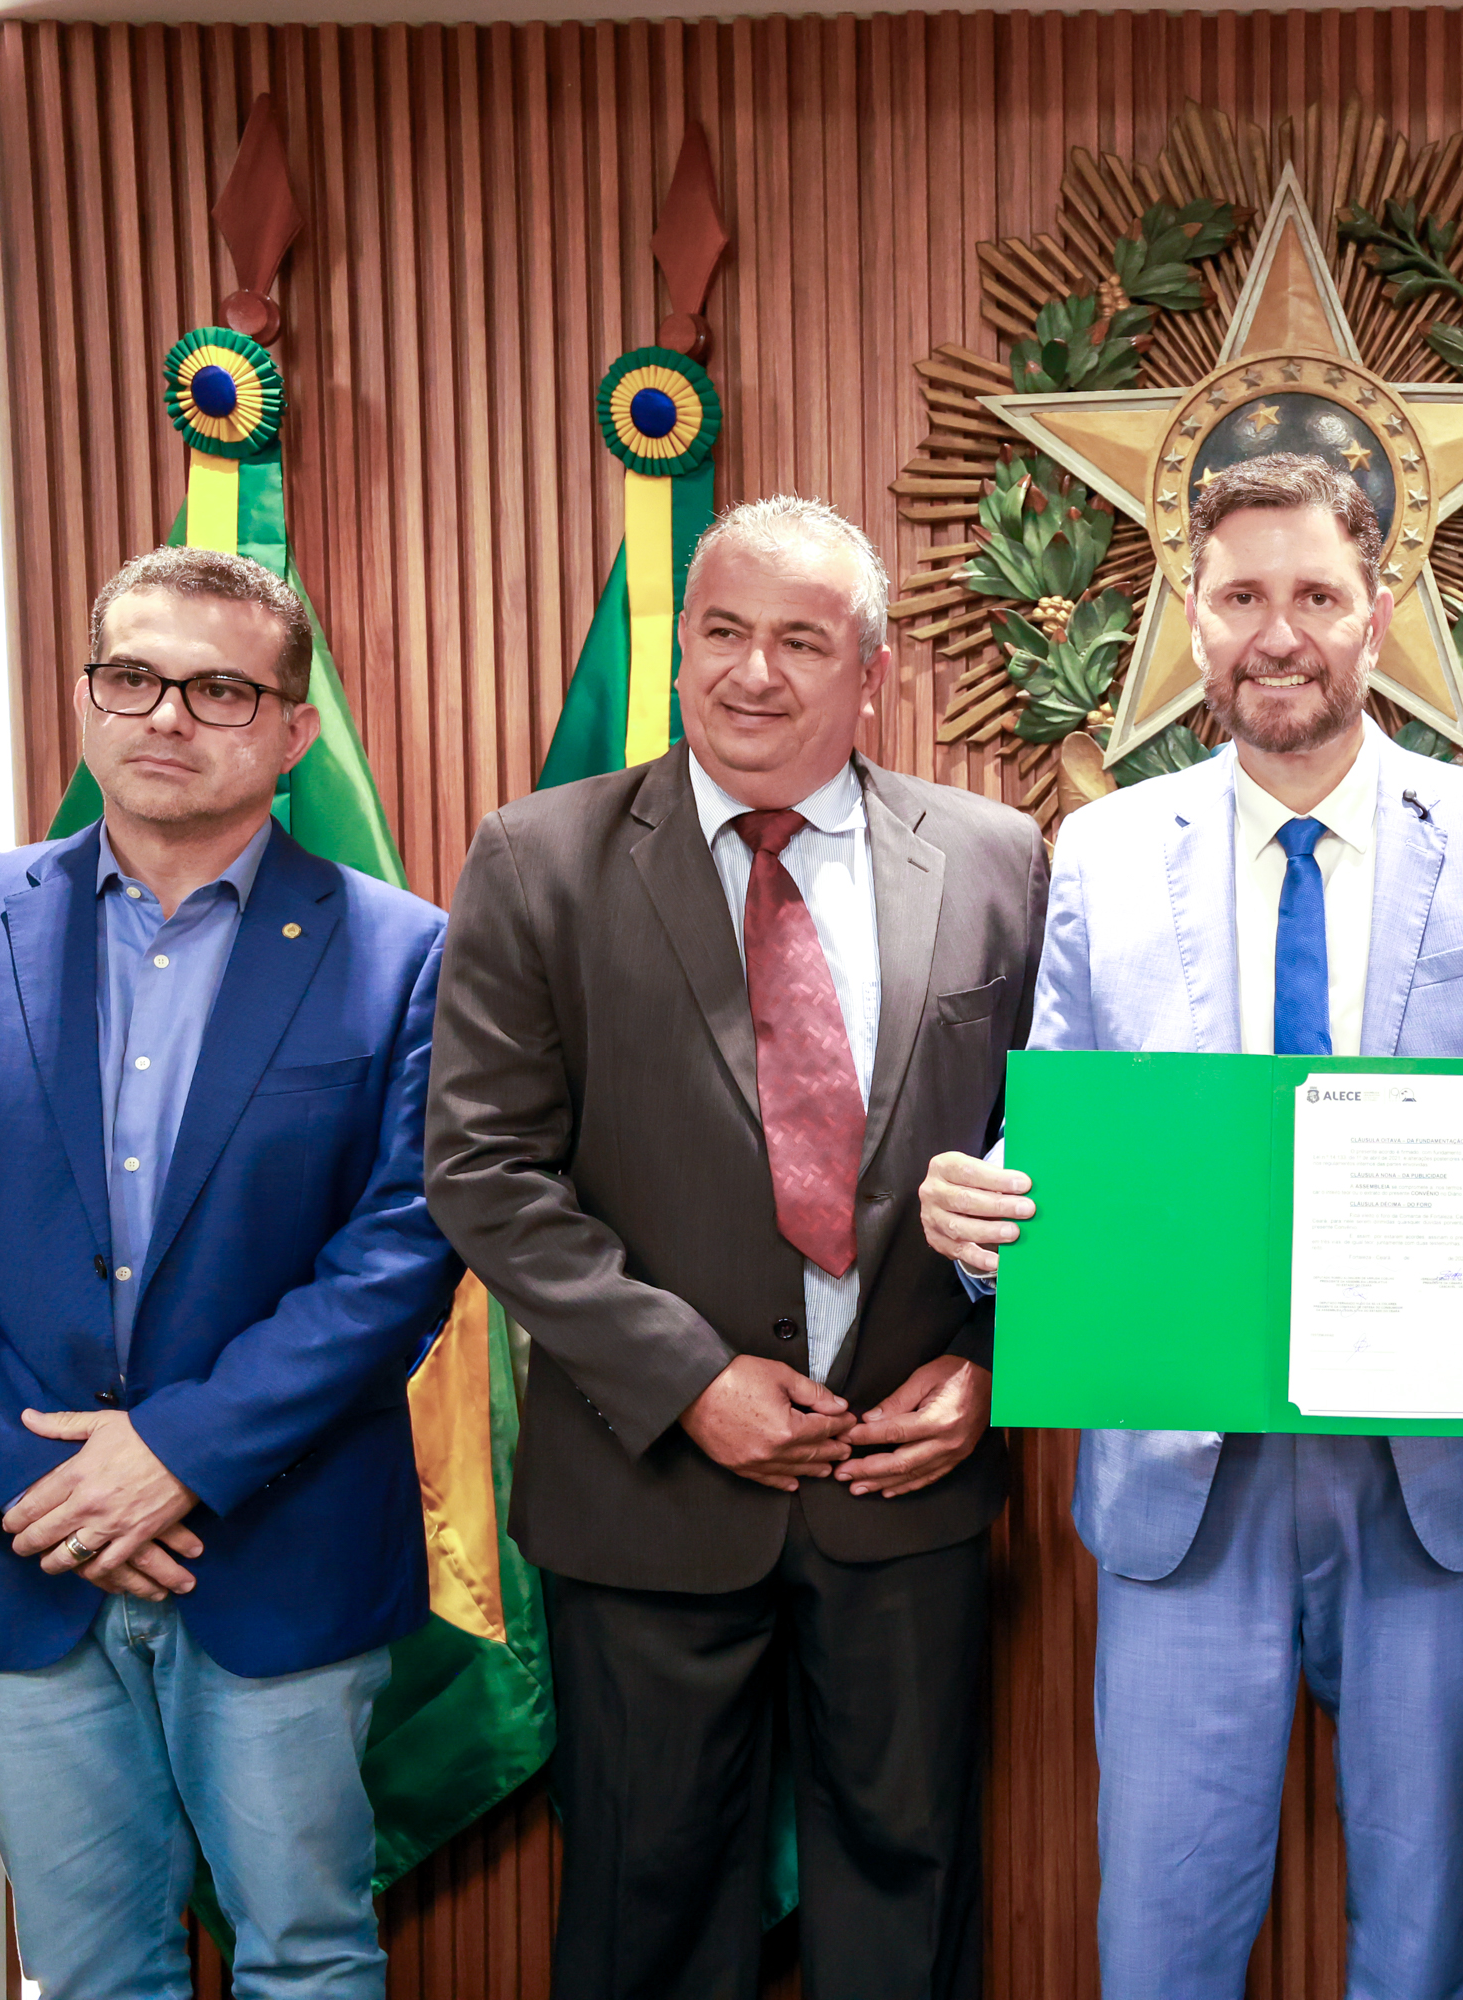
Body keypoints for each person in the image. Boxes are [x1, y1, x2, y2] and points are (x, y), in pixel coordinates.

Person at [916, 453, 1463, 2000]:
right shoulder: (1105, 851)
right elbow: (1048, 1145)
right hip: (1188, 1476)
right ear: (1196, 617)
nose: (1279, 630)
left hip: (1438, 1474)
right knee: (1160, 1940)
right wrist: (979, 1215)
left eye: (1316, 593)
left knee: (1422, 1930)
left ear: (1377, 614)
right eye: (1242, 597)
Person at [423, 496, 1043, 2000]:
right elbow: (483, 1166)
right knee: (648, 1910)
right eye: (721, 632)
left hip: (908, 1488)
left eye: (800, 640)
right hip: (648, 1494)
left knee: (910, 1899)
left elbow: (1059, 1166)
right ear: (682, 646)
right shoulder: (539, 857)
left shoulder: (998, 858)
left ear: (871, 674)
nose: (751, 674)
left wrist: (988, 1368)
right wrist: (692, 1380)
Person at [0, 546, 463, 1998]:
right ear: (87, 694)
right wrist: (41, 1483)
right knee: (85, 1974)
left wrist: (176, 1456)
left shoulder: (408, 954)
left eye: (217, 687)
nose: (164, 716)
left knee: (308, 1958)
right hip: (21, 1547)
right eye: (129, 676)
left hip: (280, 1540)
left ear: (292, 729)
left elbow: (406, 1244)